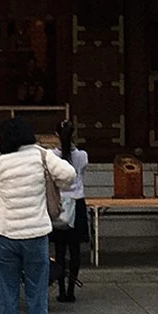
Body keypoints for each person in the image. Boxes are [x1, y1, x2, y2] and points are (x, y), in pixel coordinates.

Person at [0, 116, 75, 314]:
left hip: (6, 235)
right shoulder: (41, 156)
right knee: (37, 297)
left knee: (7, 296)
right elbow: (68, 175)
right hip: (35, 234)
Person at [51, 120, 89, 303]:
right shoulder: (82, 156)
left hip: (59, 202)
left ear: (56, 135)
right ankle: (71, 289)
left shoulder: (51, 156)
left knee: (59, 250)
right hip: (77, 201)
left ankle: (61, 290)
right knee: (75, 250)